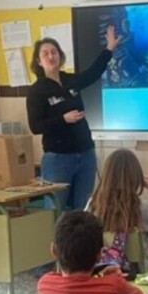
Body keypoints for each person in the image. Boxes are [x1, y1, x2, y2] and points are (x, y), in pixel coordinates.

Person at [25, 26, 119, 210]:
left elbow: (93, 73)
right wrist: (63, 119)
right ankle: (57, 241)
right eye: (46, 54)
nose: (51, 56)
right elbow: (35, 126)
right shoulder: (36, 91)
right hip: (58, 158)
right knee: (56, 210)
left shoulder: (70, 80)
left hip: (85, 153)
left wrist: (109, 49)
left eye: (54, 52)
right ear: (39, 61)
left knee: (83, 208)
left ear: (60, 56)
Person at [88, 147, 148, 271]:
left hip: (99, 274)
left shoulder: (93, 204)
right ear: (136, 176)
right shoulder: (138, 208)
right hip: (137, 276)